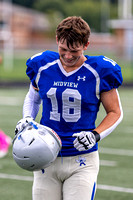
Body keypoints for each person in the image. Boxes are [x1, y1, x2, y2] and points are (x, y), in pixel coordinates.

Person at [15, 16, 123, 200]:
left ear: (86, 44)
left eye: (74, 51)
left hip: (82, 160)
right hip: (45, 157)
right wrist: (27, 119)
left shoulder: (99, 71)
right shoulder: (43, 65)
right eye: (63, 49)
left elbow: (115, 112)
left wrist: (95, 135)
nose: (67, 56)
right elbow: (33, 98)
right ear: (57, 40)